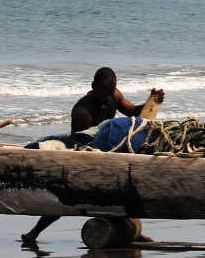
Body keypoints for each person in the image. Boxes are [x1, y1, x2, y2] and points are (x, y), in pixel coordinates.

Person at [21, 68, 166, 245]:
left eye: (110, 93)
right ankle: (33, 233)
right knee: (67, 198)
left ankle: (132, 231)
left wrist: (151, 102)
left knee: (121, 191)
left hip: (106, 149)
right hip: (83, 149)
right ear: (93, 87)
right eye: (103, 94)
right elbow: (80, 144)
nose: (107, 98)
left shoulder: (114, 95)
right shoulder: (83, 111)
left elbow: (132, 112)